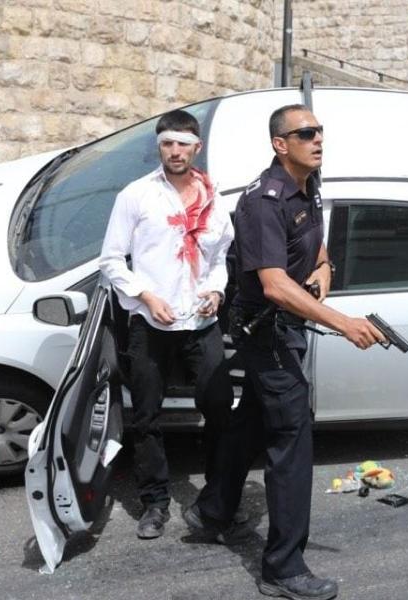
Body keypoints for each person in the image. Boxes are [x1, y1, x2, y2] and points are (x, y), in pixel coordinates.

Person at [183, 104, 386, 600]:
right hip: (266, 335)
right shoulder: (263, 203)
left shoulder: (307, 185)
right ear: (280, 144)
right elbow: (274, 285)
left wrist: (323, 276)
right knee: (291, 443)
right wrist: (343, 322)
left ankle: (211, 511)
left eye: (320, 132)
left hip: (286, 328)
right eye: (306, 133)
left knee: (251, 419)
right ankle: (283, 568)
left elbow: (316, 254)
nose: (318, 140)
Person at [99, 109, 235, 540]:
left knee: (218, 410)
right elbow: (110, 261)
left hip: (199, 321)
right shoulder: (136, 195)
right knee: (146, 417)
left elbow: (219, 258)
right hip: (150, 323)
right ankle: (154, 503)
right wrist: (146, 295)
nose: (174, 152)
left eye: (182, 144)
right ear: (159, 147)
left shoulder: (213, 199)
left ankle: (218, 498)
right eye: (166, 144)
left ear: (197, 147)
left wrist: (215, 291)